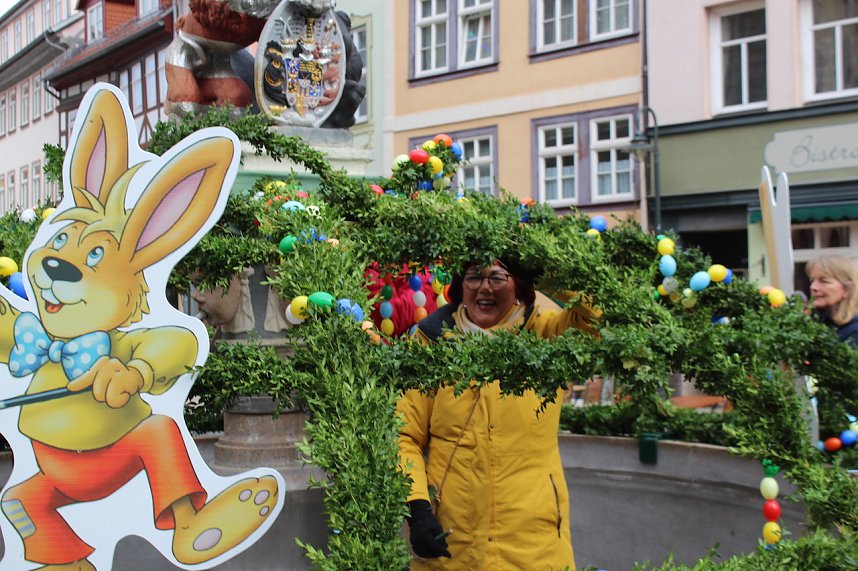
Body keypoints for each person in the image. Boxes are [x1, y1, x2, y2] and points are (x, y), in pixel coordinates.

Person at [397, 259, 600, 570]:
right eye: (474, 277)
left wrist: (542, 264)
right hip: (454, 544)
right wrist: (418, 508)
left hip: (534, 545)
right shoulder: (430, 342)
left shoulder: (548, 335)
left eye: (497, 276)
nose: (485, 287)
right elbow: (403, 435)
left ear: (518, 282)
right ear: (459, 284)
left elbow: (597, 315)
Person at [807, 255, 858, 345]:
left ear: (847, 289)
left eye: (824, 281)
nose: (813, 287)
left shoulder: (854, 332)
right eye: (812, 281)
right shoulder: (813, 324)